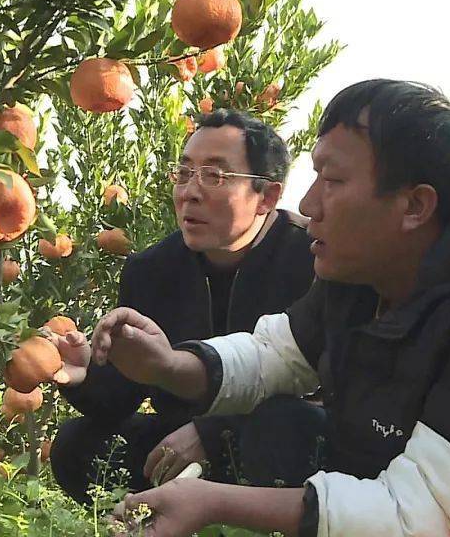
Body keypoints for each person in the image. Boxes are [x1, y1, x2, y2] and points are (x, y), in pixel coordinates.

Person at [92, 80, 450, 536]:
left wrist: (214, 501)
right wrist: (169, 365)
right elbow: (278, 352)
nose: (307, 203)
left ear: (414, 206)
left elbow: (422, 518)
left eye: (333, 180)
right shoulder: (362, 267)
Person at [50, 109, 318, 504]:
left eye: (214, 176)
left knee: (294, 428)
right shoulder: (151, 269)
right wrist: (80, 374)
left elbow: (322, 390)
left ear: (267, 196)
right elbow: (121, 397)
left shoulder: (310, 258)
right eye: (184, 173)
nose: (189, 192)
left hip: (271, 434)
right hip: (178, 443)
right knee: (77, 444)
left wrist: (215, 434)